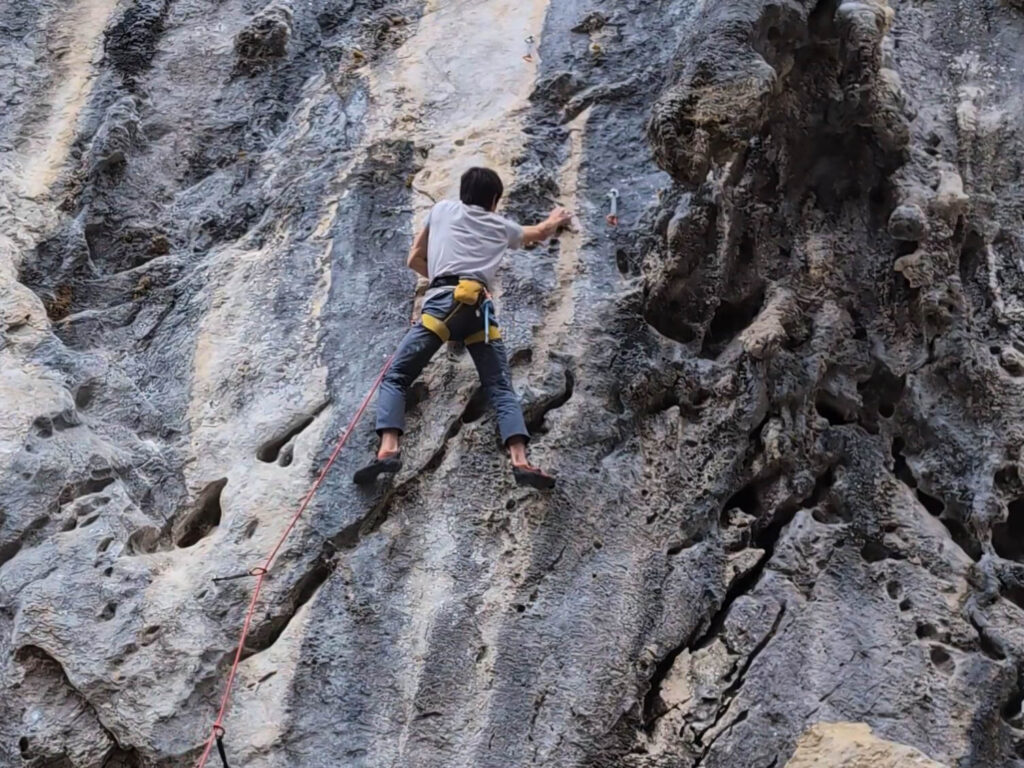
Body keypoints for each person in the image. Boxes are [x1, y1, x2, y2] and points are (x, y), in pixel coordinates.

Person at [353, 167, 571, 489]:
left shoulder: (442, 209)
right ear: (494, 200)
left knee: (396, 377)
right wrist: (556, 218)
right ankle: (520, 461)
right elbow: (539, 233)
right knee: (500, 387)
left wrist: (442, 276)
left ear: (463, 192)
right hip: (479, 311)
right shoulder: (501, 226)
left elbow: (414, 258)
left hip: (443, 305)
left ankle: (388, 450)